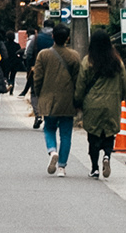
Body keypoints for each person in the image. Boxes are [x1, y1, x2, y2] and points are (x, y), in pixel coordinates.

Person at [75, 29, 126, 179]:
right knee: (109, 134)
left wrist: (78, 101)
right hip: (112, 102)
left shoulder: (88, 61)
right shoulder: (117, 61)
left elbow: (81, 84)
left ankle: (95, 168)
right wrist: (120, 98)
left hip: (92, 103)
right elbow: (124, 83)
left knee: (93, 136)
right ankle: (107, 155)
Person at [30, 24, 81, 174]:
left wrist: (39, 94)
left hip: (48, 97)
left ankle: (52, 151)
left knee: (49, 128)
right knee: (66, 133)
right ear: (68, 38)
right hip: (67, 99)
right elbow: (78, 80)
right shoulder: (74, 56)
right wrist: (78, 100)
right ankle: (62, 166)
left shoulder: (43, 55)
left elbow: (37, 78)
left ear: (53, 36)